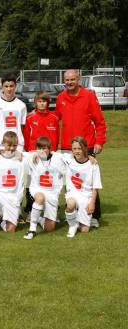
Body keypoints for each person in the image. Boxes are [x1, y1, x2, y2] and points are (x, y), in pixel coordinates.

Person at [55, 69, 106, 227]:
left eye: (73, 79)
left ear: (79, 80)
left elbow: (100, 122)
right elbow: (55, 121)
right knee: (69, 183)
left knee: (89, 183)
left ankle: (94, 215)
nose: (69, 82)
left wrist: (100, 141)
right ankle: (73, 211)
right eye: (67, 80)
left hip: (87, 146)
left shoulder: (89, 96)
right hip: (66, 149)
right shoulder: (60, 97)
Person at [22, 91, 60, 216]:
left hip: (49, 156)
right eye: (39, 101)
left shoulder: (54, 118)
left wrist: (52, 153)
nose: (42, 103)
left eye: (44, 101)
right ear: (35, 103)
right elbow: (27, 137)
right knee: (31, 182)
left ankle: (51, 205)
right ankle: (30, 208)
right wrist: (30, 153)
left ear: (48, 103)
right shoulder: (30, 118)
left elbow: (55, 137)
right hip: (34, 155)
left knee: (49, 180)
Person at [23, 137, 65, 240]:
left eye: (44, 148)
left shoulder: (58, 158)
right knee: (40, 198)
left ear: (50, 149)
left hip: (52, 194)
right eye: (39, 148)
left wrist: (90, 157)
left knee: (49, 228)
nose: (42, 151)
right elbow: (14, 153)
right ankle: (32, 229)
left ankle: (38, 219)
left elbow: (75, 156)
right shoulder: (31, 157)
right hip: (37, 190)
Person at [62, 136, 102, 238]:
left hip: (86, 196)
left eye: (79, 148)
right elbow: (49, 153)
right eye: (74, 149)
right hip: (73, 194)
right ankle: (72, 225)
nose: (76, 151)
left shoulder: (93, 165)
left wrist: (92, 203)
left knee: (84, 230)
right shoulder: (68, 159)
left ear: (85, 148)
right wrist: (35, 154)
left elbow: (95, 187)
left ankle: (74, 218)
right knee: (70, 204)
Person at [0, 74, 27, 151]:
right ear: (2, 87)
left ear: (15, 86)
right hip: (0, 146)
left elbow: (22, 127)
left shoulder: (21, 105)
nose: (9, 89)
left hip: (17, 146)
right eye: (6, 86)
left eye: (11, 86)